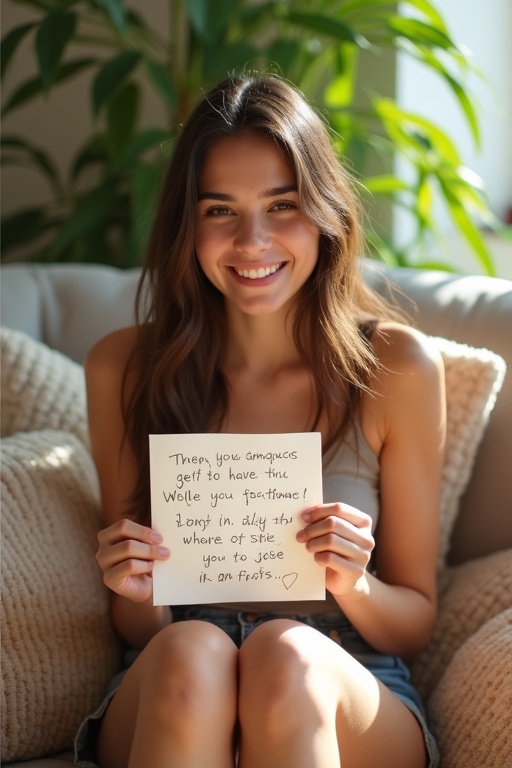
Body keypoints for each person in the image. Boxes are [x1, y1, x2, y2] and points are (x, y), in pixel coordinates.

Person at [75, 73, 445, 768]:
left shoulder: (398, 368)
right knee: (189, 649)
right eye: (220, 211)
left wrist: (352, 583)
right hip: (174, 670)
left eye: (282, 205)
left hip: (344, 668)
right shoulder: (122, 367)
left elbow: (416, 619)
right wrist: (136, 589)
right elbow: (135, 625)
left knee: (285, 655)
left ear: (325, 211)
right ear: (188, 226)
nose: (253, 241)